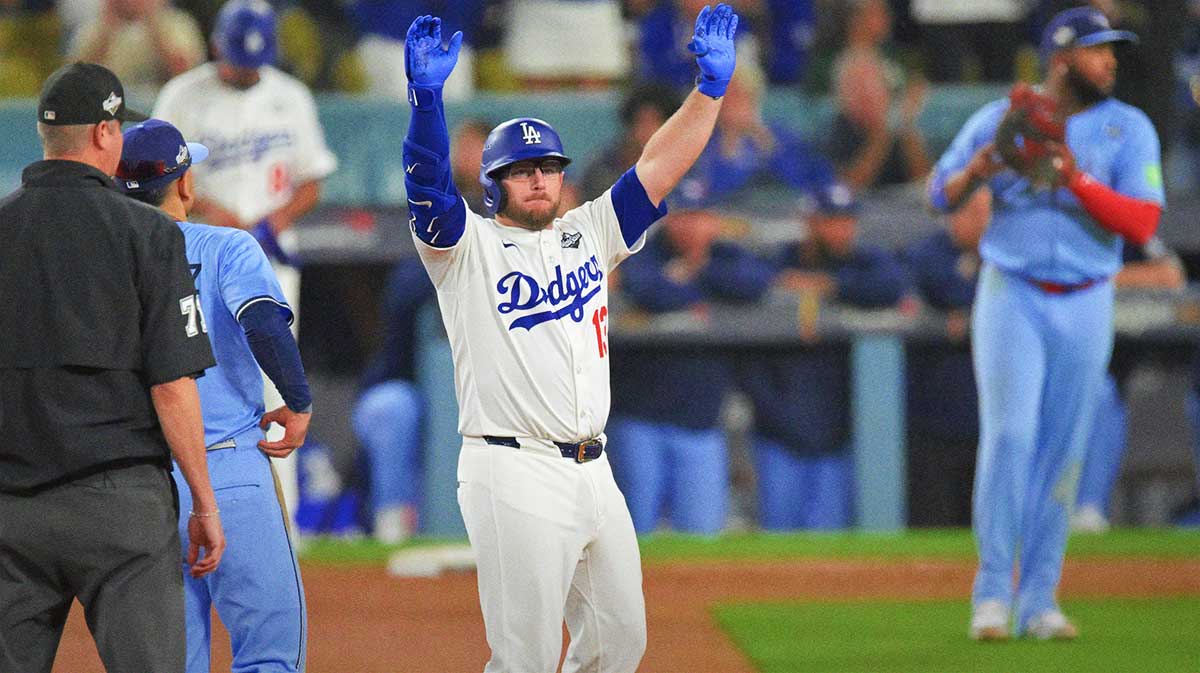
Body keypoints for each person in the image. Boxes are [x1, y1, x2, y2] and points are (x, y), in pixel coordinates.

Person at [401, 5, 738, 670]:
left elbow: (660, 164)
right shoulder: (466, 246)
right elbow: (430, 185)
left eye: (548, 166)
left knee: (620, 640)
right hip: (513, 466)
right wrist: (426, 100)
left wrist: (710, 91)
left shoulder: (589, 230)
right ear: (494, 181)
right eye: (523, 168)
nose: (537, 177)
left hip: (594, 469)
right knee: (523, 656)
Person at [927, 6, 1164, 641]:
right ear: (1062, 59)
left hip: (1088, 295)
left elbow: (1142, 223)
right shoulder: (1003, 120)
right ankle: (991, 597)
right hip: (1014, 291)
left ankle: (1039, 601)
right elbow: (937, 193)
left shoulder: (1128, 127)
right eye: (1097, 50)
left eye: (1112, 49)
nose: (1110, 60)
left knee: (1065, 449)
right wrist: (979, 169)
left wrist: (1074, 176)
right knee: (1011, 437)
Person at [0, 62, 224, 672]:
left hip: (11, 507)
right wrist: (204, 501)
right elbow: (172, 384)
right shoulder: (149, 233)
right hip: (119, 505)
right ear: (103, 133)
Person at [116, 118, 312, 673]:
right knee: (269, 656)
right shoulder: (226, 246)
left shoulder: (103, 265)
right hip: (227, 471)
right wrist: (297, 403)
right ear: (184, 185)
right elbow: (265, 324)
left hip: (137, 484)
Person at [154, 0, 339, 520]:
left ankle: (279, 519)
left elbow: (312, 178)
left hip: (269, 257)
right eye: (239, 58)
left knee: (278, 377)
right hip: (196, 258)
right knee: (197, 376)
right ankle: (195, 503)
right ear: (217, 47)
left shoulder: (290, 95)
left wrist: (269, 222)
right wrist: (218, 214)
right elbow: (155, 175)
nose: (248, 68)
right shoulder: (183, 95)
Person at [736, 182, 908, 530]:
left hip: (836, 433)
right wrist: (782, 283)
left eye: (846, 221)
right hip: (779, 432)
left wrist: (831, 286)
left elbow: (892, 285)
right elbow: (742, 282)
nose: (839, 229)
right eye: (829, 220)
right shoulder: (782, 260)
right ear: (810, 222)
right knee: (778, 541)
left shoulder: (865, 262)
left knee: (831, 544)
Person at [607, 208, 774, 534]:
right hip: (638, 418)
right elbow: (644, 289)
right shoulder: (641, 248)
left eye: (700, 217)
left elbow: (755, 284)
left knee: (701, 538)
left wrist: (694, 269)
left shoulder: (725, 253)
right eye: (683, 216)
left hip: (701, 421)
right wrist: (698, 291)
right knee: (632, 534)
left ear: (714, 220)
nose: (692, 227)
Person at [1071, 236, 1187, 532]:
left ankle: (1088, 510)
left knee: (1103, 394)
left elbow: (1171, 276)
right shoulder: (1049, 220)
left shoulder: (1127, 228)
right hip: (1049, 359)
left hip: (1104, 370)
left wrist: (1099, 279)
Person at [904, 186, 990, 527]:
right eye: (974, 214)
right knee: (933, 523)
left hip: (988, 423)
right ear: (953, 216)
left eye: (989, 213)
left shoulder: (1005, 255)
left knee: (987, 529)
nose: (985, 222)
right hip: (932, 423)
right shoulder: (928, 253)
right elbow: (941, 285)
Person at [69, 0, 206, 100]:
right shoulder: (94, 30)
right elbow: (74, 80)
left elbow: (185, 76)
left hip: (159, 103)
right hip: (108, 106)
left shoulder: (178, 24)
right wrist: (108, 28)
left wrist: (151, 21)